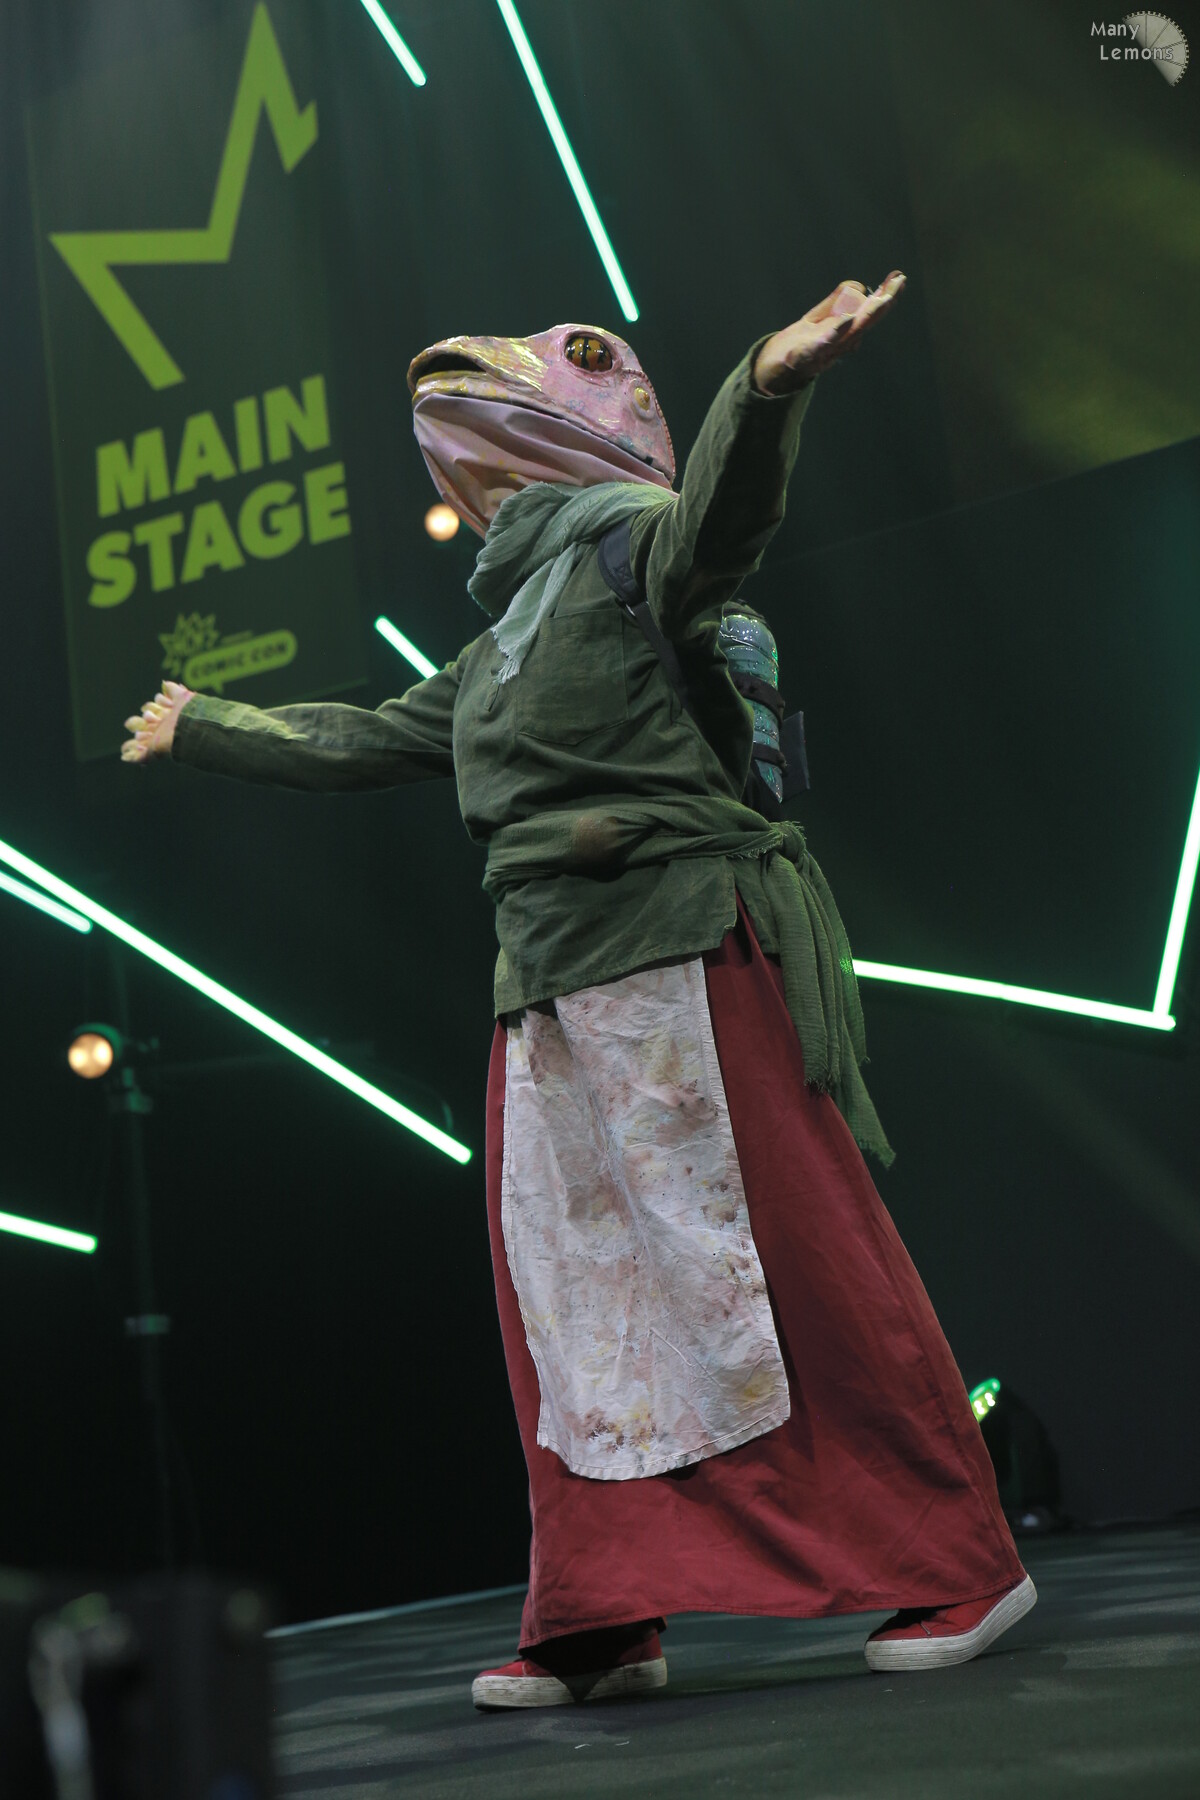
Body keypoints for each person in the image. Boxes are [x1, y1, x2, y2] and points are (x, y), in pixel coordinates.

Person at [123, 275, 1036, 1710]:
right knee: (575, 1304)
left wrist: (766, 384)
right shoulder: (498, 644)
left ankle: (958, 1554)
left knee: (797, 1261)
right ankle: (605, 1607)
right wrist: (210, 726)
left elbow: (723, 521)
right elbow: (366, 738)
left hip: (685, 946)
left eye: (582, 360)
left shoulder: (632, 550)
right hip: (547, 989)